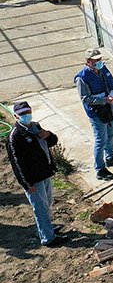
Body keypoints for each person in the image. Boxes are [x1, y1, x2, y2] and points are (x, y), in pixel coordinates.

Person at [5, 101, 67, 247]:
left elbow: (51, 142)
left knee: (47, 203)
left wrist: (49, 135)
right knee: (40, 208)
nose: (26, 116)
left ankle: (47, 229)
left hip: (45, 173)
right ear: (16, 116)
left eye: (28, 112)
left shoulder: (35, 126)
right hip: (33, 179)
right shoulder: (15, 136)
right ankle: (48, 238)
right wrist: (27, 184)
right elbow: (17, 164)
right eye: (22, 114)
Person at [74, 48, 113, 180]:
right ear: (88, 62)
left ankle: (110, 157)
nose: (99, 62)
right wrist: (104, 100)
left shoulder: (103, 69)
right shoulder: (82, 78)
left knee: (111, 133)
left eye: (100, 59)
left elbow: (111, 83)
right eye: (96, 60)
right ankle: (100, 168)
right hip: (97, 112)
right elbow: (86, 98)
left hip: (109, 107)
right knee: (100, 139)